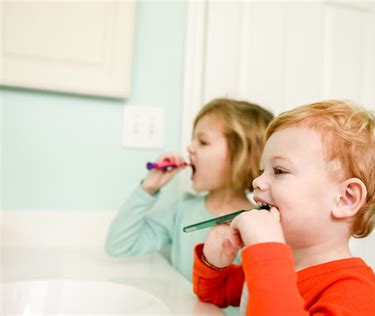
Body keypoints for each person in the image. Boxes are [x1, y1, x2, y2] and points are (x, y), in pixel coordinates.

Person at [192, 99, 375, 315]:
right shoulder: (277, 266)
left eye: (279, 171)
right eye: (262, 170)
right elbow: (212, 294)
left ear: (345, 199)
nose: (257, 182)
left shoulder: (357, 293)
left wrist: (267, 250)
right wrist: (215, 261)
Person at [105, 98, 273, 282]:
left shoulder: (261, 226)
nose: (190, 148)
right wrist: (149, 187)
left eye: (203, 142)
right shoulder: (182, 209)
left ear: (242, 155)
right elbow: (118, 245)